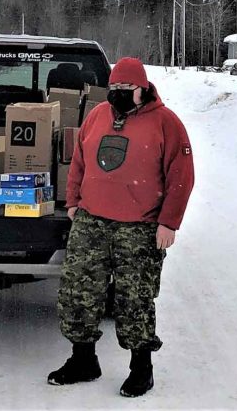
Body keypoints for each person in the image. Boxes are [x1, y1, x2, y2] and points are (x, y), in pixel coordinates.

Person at [48, 57, 195, 397]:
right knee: (78, 292)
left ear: (142, 89)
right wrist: (73, 201)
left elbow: (181, 177)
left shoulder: (166, 123)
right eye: (113, 89)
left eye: (125, 90)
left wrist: (168, 222)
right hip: (91, 220)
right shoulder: (98, 115)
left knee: (134, 299)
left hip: (140, 227)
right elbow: (80, 161)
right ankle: (83, 360)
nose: (117, 95)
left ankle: (141, 367)